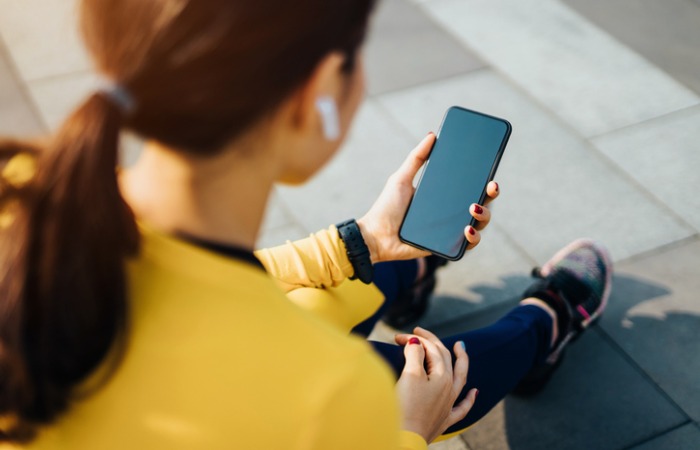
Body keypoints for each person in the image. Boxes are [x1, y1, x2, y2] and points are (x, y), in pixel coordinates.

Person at [0, 0, 612, 448]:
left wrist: (358, 243)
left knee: (338, 290)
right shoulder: (329, 396)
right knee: (428, 376)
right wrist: (405, 432)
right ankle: (546, 325)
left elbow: (214, 287)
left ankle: (405, 269)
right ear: (315, 93)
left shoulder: (21, 194)